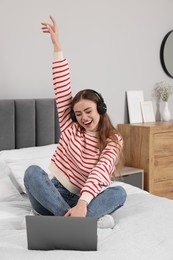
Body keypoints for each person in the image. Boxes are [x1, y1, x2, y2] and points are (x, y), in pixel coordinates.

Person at [24, 16, 127, 229]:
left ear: (100, 109)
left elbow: (101, 170)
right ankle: (77, 223)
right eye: (78, 113)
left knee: (119, 192)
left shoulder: (113, 139)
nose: (83, 118)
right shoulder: (70, 127)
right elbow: (62, 87)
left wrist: (82, 203)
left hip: (87, 200)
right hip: (55, 194)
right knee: (32, 172)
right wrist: (57, 46)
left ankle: (67, 221)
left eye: (88, 111)